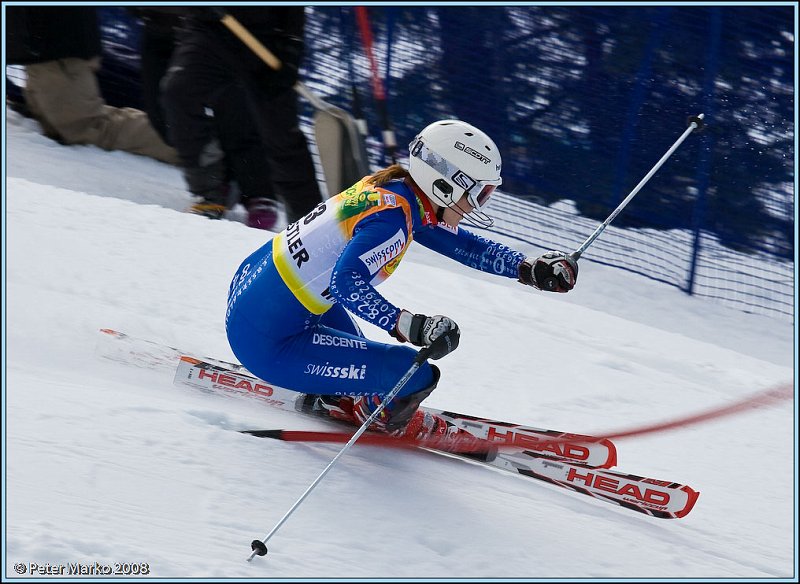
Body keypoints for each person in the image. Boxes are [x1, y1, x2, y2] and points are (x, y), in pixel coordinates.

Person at [225, 119, 579, 442]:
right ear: (445, 184)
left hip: (256, 298)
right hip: (269, 342)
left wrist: (526, 268)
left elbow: (461, 243)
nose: (477, 206)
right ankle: (368, 412)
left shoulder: (398, 193)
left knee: (368, 361)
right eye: (478, 193)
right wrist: (412, 326)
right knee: (413, 376)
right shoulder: (392, 220)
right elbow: (347, 283)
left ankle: (347, 395)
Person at [161, 7, 323, 230]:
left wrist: (291, 47)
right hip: (209, 29)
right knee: (178, 91)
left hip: (265, 40)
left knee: (281, 134)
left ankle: (312, 225)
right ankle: (209, 193)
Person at [5, 6, 178, 165]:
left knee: (89, 127)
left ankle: (193, 144)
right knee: (55, 124)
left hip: (55, 49)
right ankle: (190, 139)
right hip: (47, 48)